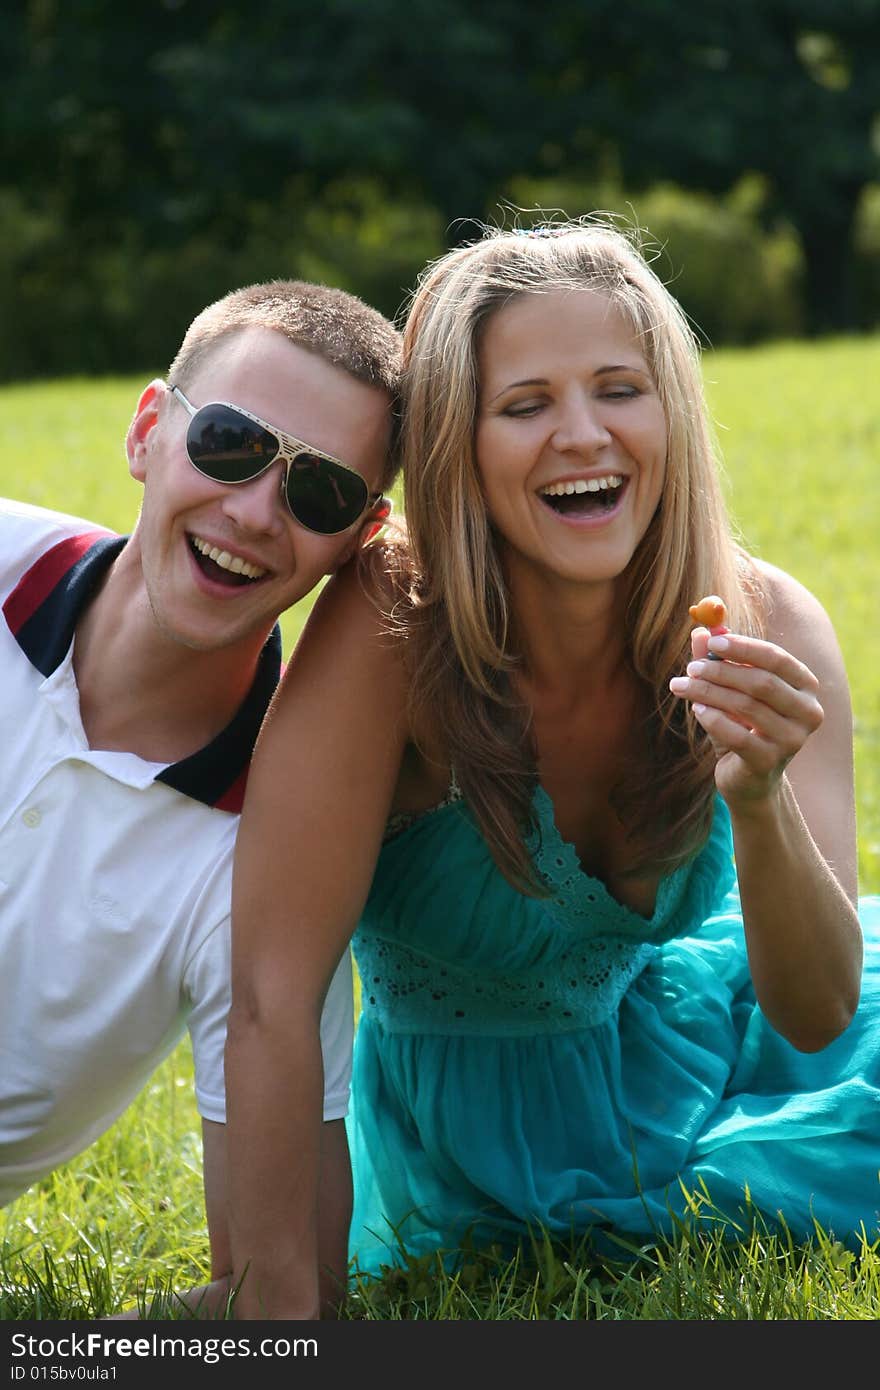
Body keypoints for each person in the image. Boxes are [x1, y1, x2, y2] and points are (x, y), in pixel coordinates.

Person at [225, 220, 880, 1321]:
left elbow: (815, 1010)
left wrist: (758, 804)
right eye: (524, 405)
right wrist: (279, 1310)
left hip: (685, 1035)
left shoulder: (766, 620)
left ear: (670, 408)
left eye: (619, 388)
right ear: (455, 445)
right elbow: (272, 996)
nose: (583, 435)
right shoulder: (392, 635)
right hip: (472, 1131)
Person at [0, 276, 402, 1317]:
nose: (254, 512)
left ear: (359, 541)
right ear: (147, 430)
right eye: (228, 442)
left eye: (317, 495)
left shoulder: (267, 878)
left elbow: (284, 1307)